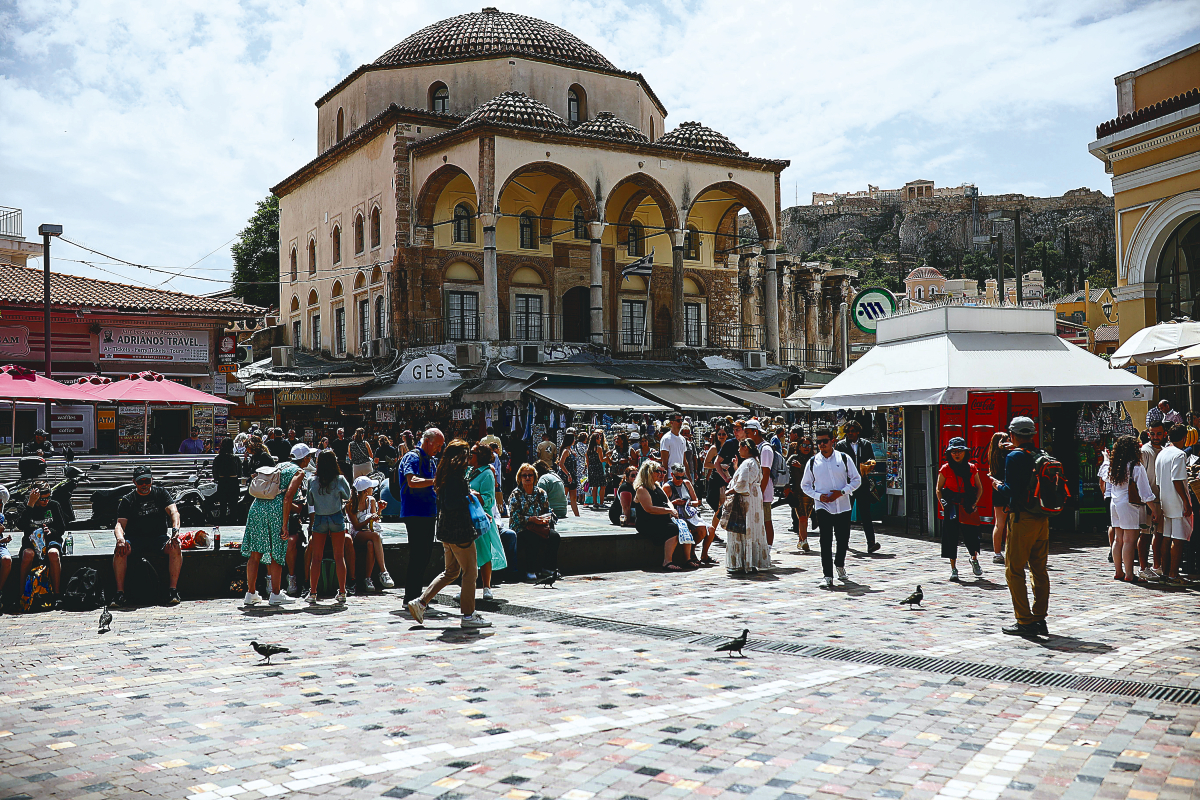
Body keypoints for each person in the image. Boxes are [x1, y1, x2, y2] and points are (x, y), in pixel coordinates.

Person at [404, 439, 491, 628]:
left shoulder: (444, 473)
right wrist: (470, 497)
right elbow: (453, 503)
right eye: (467, 453)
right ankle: (468, 615)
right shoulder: (455, 476)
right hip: (460, 531)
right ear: (460, 456)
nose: (469, 457)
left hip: (446, 530)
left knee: (451, 571)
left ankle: (420, 602)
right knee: (470, 572)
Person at [989, 416, 1052, 637]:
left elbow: (1010, 491)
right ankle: (1039, 618)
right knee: (1039, 570)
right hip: (1042, 517)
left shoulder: (1014, 457)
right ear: (1032, 435)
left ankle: (1024, 621)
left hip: (1022, 518)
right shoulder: (1041, 454)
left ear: (1013, 435)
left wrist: (996, 484)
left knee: (1014, 570)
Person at [242, 443, 311, 607]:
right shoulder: (299, 472)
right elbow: (287, 498)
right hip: (274, 510)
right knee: (276, 552)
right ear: (305, 458)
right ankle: (275, 593)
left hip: (257, 506)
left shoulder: (280, 465)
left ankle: (250, 593)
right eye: (310, 456)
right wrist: (285, 524)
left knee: (255, 552)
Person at [111, 466, 182, 607]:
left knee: (175, 546)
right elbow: (120, 524)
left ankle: (172, 591)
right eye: (140, 482)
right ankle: (120, 593)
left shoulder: (161, 493)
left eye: (147, 481)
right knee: (120, 550)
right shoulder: (128, 499)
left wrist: (175, 531)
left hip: (158, 537)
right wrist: (120, 539)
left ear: (152, 480)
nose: (144, 485)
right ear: (134, 482)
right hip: (135, 539)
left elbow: (174, 512)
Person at [801, 427, 861, 588]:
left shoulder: (844, 458)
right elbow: (805, 485)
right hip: (823, 506)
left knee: (843, 539)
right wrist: (819, 496)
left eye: (824, 441)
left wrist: (842, 492)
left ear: (832, 441)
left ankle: (839, 563)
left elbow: (856, 480)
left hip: (842, 505)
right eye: (818, 442)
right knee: (825, 540)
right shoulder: (813, 462)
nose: (821, 445)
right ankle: (827, 575)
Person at [397, 427, 443, 603]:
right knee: (418, 555)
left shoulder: (431, 460)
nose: (438, 449)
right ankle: (412, 596)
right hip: (415, 512)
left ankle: (418, 594)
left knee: (425, 555)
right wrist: (436, 481)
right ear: (427, 441)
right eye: (437, 445)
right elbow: (412, 481)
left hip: (428, 512)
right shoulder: (413, 457)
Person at [304, 448, 352, 603]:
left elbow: (310, 502)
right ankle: (343, 592)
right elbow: (348, 496)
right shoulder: (339, 479)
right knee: (339, 556)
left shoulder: (312, 480)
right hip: (336, 517)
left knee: (316, 557)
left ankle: (312, 593)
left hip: (319, 518)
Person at [1107, 435, 1154, 584]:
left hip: (1115, 503)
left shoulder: (1113, 466)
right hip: (1129, 505)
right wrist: (1154, 510)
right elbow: (1145, 493)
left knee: (1118, 539)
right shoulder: (1136, 467)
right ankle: (1129, 573)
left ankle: (1118, 571)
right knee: (1129, 540)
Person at [936, 437, 984, 581]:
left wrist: (975, 503)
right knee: (951, 537)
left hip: (967, 504)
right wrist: (943, 503)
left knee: (972, 536)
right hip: (952, 505)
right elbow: (938, 489)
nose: (957, 454)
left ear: (965, 452)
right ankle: (953, 568)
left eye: (960, 451)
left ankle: (974, 559)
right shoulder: (945, 469)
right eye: (954, 452)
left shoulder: (971, 468)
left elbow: (979, 487)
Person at [633, 460, 693, 571]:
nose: (661, 474)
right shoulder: (642, 489)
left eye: (663, 472)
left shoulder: (657, 486)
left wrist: (671, 509)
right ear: (649, 472)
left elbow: (667, 500)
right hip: (647, 521)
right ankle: (667, 561)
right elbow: (649, 509)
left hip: (661, 518)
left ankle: (688, 559)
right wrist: (669, 511)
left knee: (685, 526)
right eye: (658, 471)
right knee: (673, 529)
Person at [468, 444, 507, 601]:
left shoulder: (487, 474)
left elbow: (489, 499)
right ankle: (467, 585)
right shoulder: (469, 471)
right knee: (468, 554)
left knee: (484, 552)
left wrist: (473, 495)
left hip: (480, 518)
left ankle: (487, 587)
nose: (469, 455)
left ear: (480, 456)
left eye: (472, 452)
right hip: (466, 517)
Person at [835, 420, 880, 554]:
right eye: (848, 432)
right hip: (847, 484)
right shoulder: (841, 445)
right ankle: (843, 542)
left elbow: (872, 460)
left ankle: (871, 543)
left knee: (866, 514)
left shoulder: (865, 444)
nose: (850, 434)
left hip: (862, 483)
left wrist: (868, 466)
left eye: (852, 431)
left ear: (858, 432)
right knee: (845, 515)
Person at [17, 483, 66, 604]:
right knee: (28, 554)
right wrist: (30, 505)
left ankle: (57, 594)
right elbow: (21, 525)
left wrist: (51, 531)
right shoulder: (26, 506)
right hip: (32, 541)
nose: (46, 501)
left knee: (53, 554)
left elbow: (62, 528)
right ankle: (22, 593)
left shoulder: (54, 505)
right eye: (42, 499)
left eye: (48, 498)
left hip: (51, 539)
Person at [1155, 424, 1192, 586]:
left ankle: (1165, 572)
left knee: (1166, 537)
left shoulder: (1162, 453)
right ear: (1183, 438)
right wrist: (1185, 501)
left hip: (1165, 500)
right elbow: (1177, 480)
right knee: (1178, 539)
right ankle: (1173, 575)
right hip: (1176, 502)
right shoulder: (1179, 455)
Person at [510, 463, 559, 581]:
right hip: (521, 527)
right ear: (520, 478)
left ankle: (548, 568)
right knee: (531, 537)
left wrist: (546, 518)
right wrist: (530, 519)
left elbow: (547, 510)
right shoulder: (516, 494)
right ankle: (530, 570)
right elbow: (514, 516)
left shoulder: (541, 493)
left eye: (530, 475)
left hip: (539, 526)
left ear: (535, 477)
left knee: (555, 536)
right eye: (524, 475)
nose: (527, 478)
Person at [664, 462, 716, 564]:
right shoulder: (667, 487)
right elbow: (664, 504)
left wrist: (688, 503)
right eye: (677, 477)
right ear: (672, 475)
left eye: (682, 477)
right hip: (678, 516)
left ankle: (704, 554)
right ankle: (691, 553)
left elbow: (697, 501)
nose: (680, 480)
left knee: (711, 529)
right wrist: (675, 503)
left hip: (690, 514)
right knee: (701, 530)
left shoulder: (686, 483)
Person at [348, 475, 388, 594]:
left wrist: (379, 510)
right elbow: (356, 526)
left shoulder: (371, 501)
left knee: (371, 544)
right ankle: (383, 571)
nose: (373, 490)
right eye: (371, 488)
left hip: (368, 532)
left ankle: (368, 578)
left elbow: (374, 520)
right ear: (366, 491)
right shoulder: (350, 504)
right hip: (357, 533)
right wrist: (369, 520)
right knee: (375, 537)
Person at [1139, 420, 1167, 581]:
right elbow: (1140, 478)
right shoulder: (1145, 451)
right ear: (1149, 434)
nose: (1155, 436)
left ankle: (1157, 566)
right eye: (1153, 433)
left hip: (1161, 499)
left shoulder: (1163, 450)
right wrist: (1146, 502)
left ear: (1164, 434)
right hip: (1148, 500)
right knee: (1145, 535)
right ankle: (1143, 567)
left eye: (1158, 433)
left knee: (1160, 534)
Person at [743, 420, 776, 547]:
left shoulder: (765, 449)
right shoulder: (756, 448)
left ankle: (768, 548)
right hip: (756, 492)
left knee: (766, 520)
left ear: (755, 432)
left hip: (764, 493)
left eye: (748, 432)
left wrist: (760, 493)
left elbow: (766, 472)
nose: (746, 435)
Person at [987, 432, 1012, 564]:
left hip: (996, 489)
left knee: (999, 523)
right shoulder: (1007, 455)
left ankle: (997, 553)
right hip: (1006, 488)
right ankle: (1009, 550)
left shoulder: (992, 455)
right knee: (1010, 523)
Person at [787, 432, 814, 552]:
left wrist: (801, 467)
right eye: (804, 445)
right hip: (797, 492)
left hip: (810, 493)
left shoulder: (814, 460)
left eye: (809, 446)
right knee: (802, 517)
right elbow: (786, 473)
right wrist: (786, 488)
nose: (806, 448)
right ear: (799, 446)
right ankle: (804, 541)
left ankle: (800, 540)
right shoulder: (793, 458)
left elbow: (816, 473)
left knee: (806, 517)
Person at [212, 437, 243, 525]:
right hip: (233, 482)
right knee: (233, 505)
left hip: (222, 482)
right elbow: (240, 473)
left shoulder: (218, 458)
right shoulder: (235, 458)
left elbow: (215, 473)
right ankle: (232, 522)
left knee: (223, 505)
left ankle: (222, 522)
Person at [555, 431, 582, 517]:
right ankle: (559, 513)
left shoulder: (571, 450)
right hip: (566, 475)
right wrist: (568, 474)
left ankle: (577, 515)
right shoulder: (566, 451)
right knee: (564, 496)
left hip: (572, 475)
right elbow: (561, 464)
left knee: (573, 497)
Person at [659, 413, 689, 482]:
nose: (681, 423)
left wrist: (689, 477)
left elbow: (684, 460)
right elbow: (665, 461)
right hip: (670, 477)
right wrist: (665, 480)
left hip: (681, 476)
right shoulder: (666, 439)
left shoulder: (682, 439)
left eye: (682, 420)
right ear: (671, 422)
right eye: (678, 420)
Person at [586, 430, 609, 511]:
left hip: (591, 469)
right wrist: (608, 456)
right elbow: (602, 459)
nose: (600, 440)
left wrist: (588, 471)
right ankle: (601, 503)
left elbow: (587, 462)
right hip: (598, 468)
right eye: (599, 438)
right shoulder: (598, 448)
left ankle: (595, 503)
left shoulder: (588, 450)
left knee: (594, 487)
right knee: (602, 486)